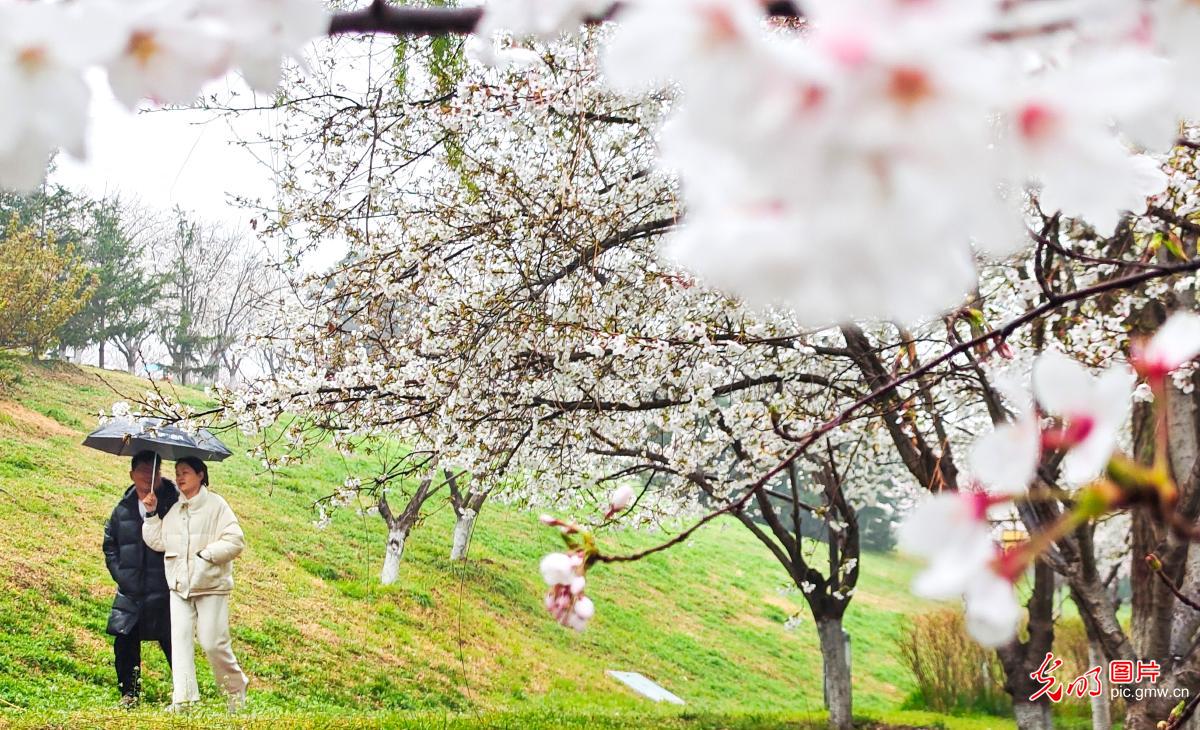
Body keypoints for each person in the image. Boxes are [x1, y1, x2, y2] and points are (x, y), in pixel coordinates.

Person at [141, 456, 249, 712]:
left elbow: (235, 541)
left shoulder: (216, 505)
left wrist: (206, 555)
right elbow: (157, 541)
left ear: (201, 475)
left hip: (210, 585)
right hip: (179, 586)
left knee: (213, 643)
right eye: (177, 472)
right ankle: (184, 700)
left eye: (185, 472)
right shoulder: (176, 510)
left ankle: (235, 690)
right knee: (179, 642)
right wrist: (151, 513)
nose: (179, 477)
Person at [102, 450, 179, 707]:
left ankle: (185, 694)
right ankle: (129, 694)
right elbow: (110, 544)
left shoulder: (175, 505)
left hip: (165, 589)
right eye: (143, 471)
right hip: (132, 590)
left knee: (173, 643)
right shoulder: (122, 509)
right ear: (132, 474)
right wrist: (122, 575)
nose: (149, 476)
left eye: (154, 470)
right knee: (125, 642)